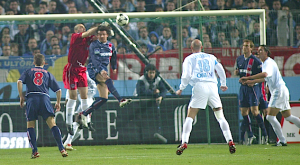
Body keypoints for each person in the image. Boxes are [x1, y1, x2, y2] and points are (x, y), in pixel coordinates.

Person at [176, 39, 236, 155]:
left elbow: (186, 75)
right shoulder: (211, 57)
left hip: (199, 86)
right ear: (202, 47)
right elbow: (220, 69)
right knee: (220, 117)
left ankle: (184, 142)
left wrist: (181, 88)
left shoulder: (189, 59)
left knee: (190, 117)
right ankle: (230, 141)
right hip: (213, 87)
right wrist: (223, 83)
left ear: (191, 48)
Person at [240, 45, 300, 146]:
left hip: (278, 91)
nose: (258, 52)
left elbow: (264, 75)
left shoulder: (268, 63)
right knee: (288, 116)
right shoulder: (267, 63)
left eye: (261, 50)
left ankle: (282, 140)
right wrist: (252, 81)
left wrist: (248, 77)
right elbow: (265, 78)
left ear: (266, 52)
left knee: (270, 117)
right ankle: (282, 140)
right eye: (258, 51)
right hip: (282, 90)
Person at [77, 25, 132, 127]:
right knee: (107, 80)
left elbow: (114, 57)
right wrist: (100, 70)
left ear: (107, 35)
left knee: (104, 98)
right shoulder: (94, 45)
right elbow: (94, 59)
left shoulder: (111, 46)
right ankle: (120, 99)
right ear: (97, 35)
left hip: (104, 70)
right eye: (99, 34)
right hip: (94, 69)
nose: (102, 36)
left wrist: (114, 67)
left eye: (103, 34)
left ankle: (84, 113)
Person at [17, 53, 68, 158]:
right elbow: (58, 90)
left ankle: (35, 151)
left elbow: (19, 82)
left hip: (31, 99)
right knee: (52, 124)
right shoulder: (48, 74)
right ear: (44, 63)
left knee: (30, 125)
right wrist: (58, 102)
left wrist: (21, 96)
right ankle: (62, 149)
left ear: (34, 62)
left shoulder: (28, 71)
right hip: (44, 99)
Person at [62, 24, 99, 136]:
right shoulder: (75, 37)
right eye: (80, 27)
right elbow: (89, 33)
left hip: (82, 69)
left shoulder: (87, 40)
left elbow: (96, 36)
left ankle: (87, 121)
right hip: (71, 69)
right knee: (73, 96)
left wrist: (104, 30)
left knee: (85, 97)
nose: (83, 28)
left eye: (84, 27)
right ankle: (68, 123)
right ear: (76, 30)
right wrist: (99, 27)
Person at [234, 39, 268, 145]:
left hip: (253, 88)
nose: (245, 47)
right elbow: (239, 71)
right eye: (244, 46)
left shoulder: (256, 61)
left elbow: (262, 75)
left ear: (251, 48)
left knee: (255, 111)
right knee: (244, 112)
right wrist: (237, 73)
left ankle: (264, 134)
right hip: (243, 88)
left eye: (247, 46)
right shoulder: (239, 59)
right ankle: (250, 135)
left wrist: (253, 82)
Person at [63, 71, 97, 150]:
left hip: (85, 101)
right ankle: (68, 143)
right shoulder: (79, 74)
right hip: (82, 102)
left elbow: (92, 87)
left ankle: (67, 143)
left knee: (79, 127)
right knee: (78, 122)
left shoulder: (85, 75)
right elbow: (70, 89)